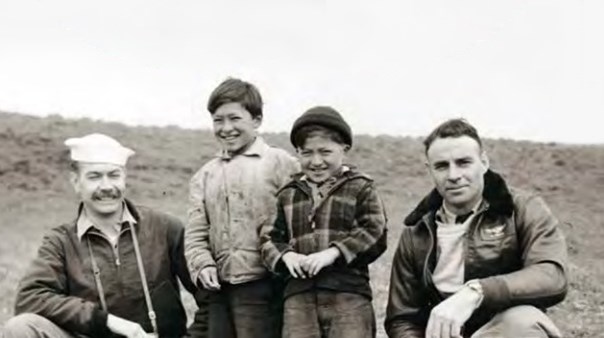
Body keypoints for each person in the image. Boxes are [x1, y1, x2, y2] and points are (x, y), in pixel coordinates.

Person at [385, 118, 568, 338]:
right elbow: (402, 318)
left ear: (484, 162)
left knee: (523, 321)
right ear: (430, 170)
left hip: (503, 332)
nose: (453, 175)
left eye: (463, 162)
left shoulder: (522, 208)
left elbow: (552, 276)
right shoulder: (417, 231)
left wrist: (477, 292)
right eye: (442, 166)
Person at [5, 133, 198, 338]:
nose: (106, 187)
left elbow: (210, 295)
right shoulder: (60, 241)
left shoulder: (165, 227)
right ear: (76, 181)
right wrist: (106, 321)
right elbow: (29, 298)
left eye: (114, 175)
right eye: (94, 176)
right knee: (21, 327)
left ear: (125, 178)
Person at [183, 78, 298, 337]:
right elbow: (195, 233)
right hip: (221, 289)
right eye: (218, 120)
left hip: (269, 286)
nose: (226, 128)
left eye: (235, 118)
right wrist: (203, 265)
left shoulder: (281, 163)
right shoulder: (205, 175)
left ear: (256, 121)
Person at [259, 106, 387, 338]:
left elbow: (374, 230)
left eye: (325, 152)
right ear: (297, 152)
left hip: (349, 293)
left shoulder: (361, 187)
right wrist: (288, 256)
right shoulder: (288, 193)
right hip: (299, 295)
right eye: (306, 153)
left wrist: (333, 253)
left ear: (344, 149)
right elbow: (268, 238)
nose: (316, 161)